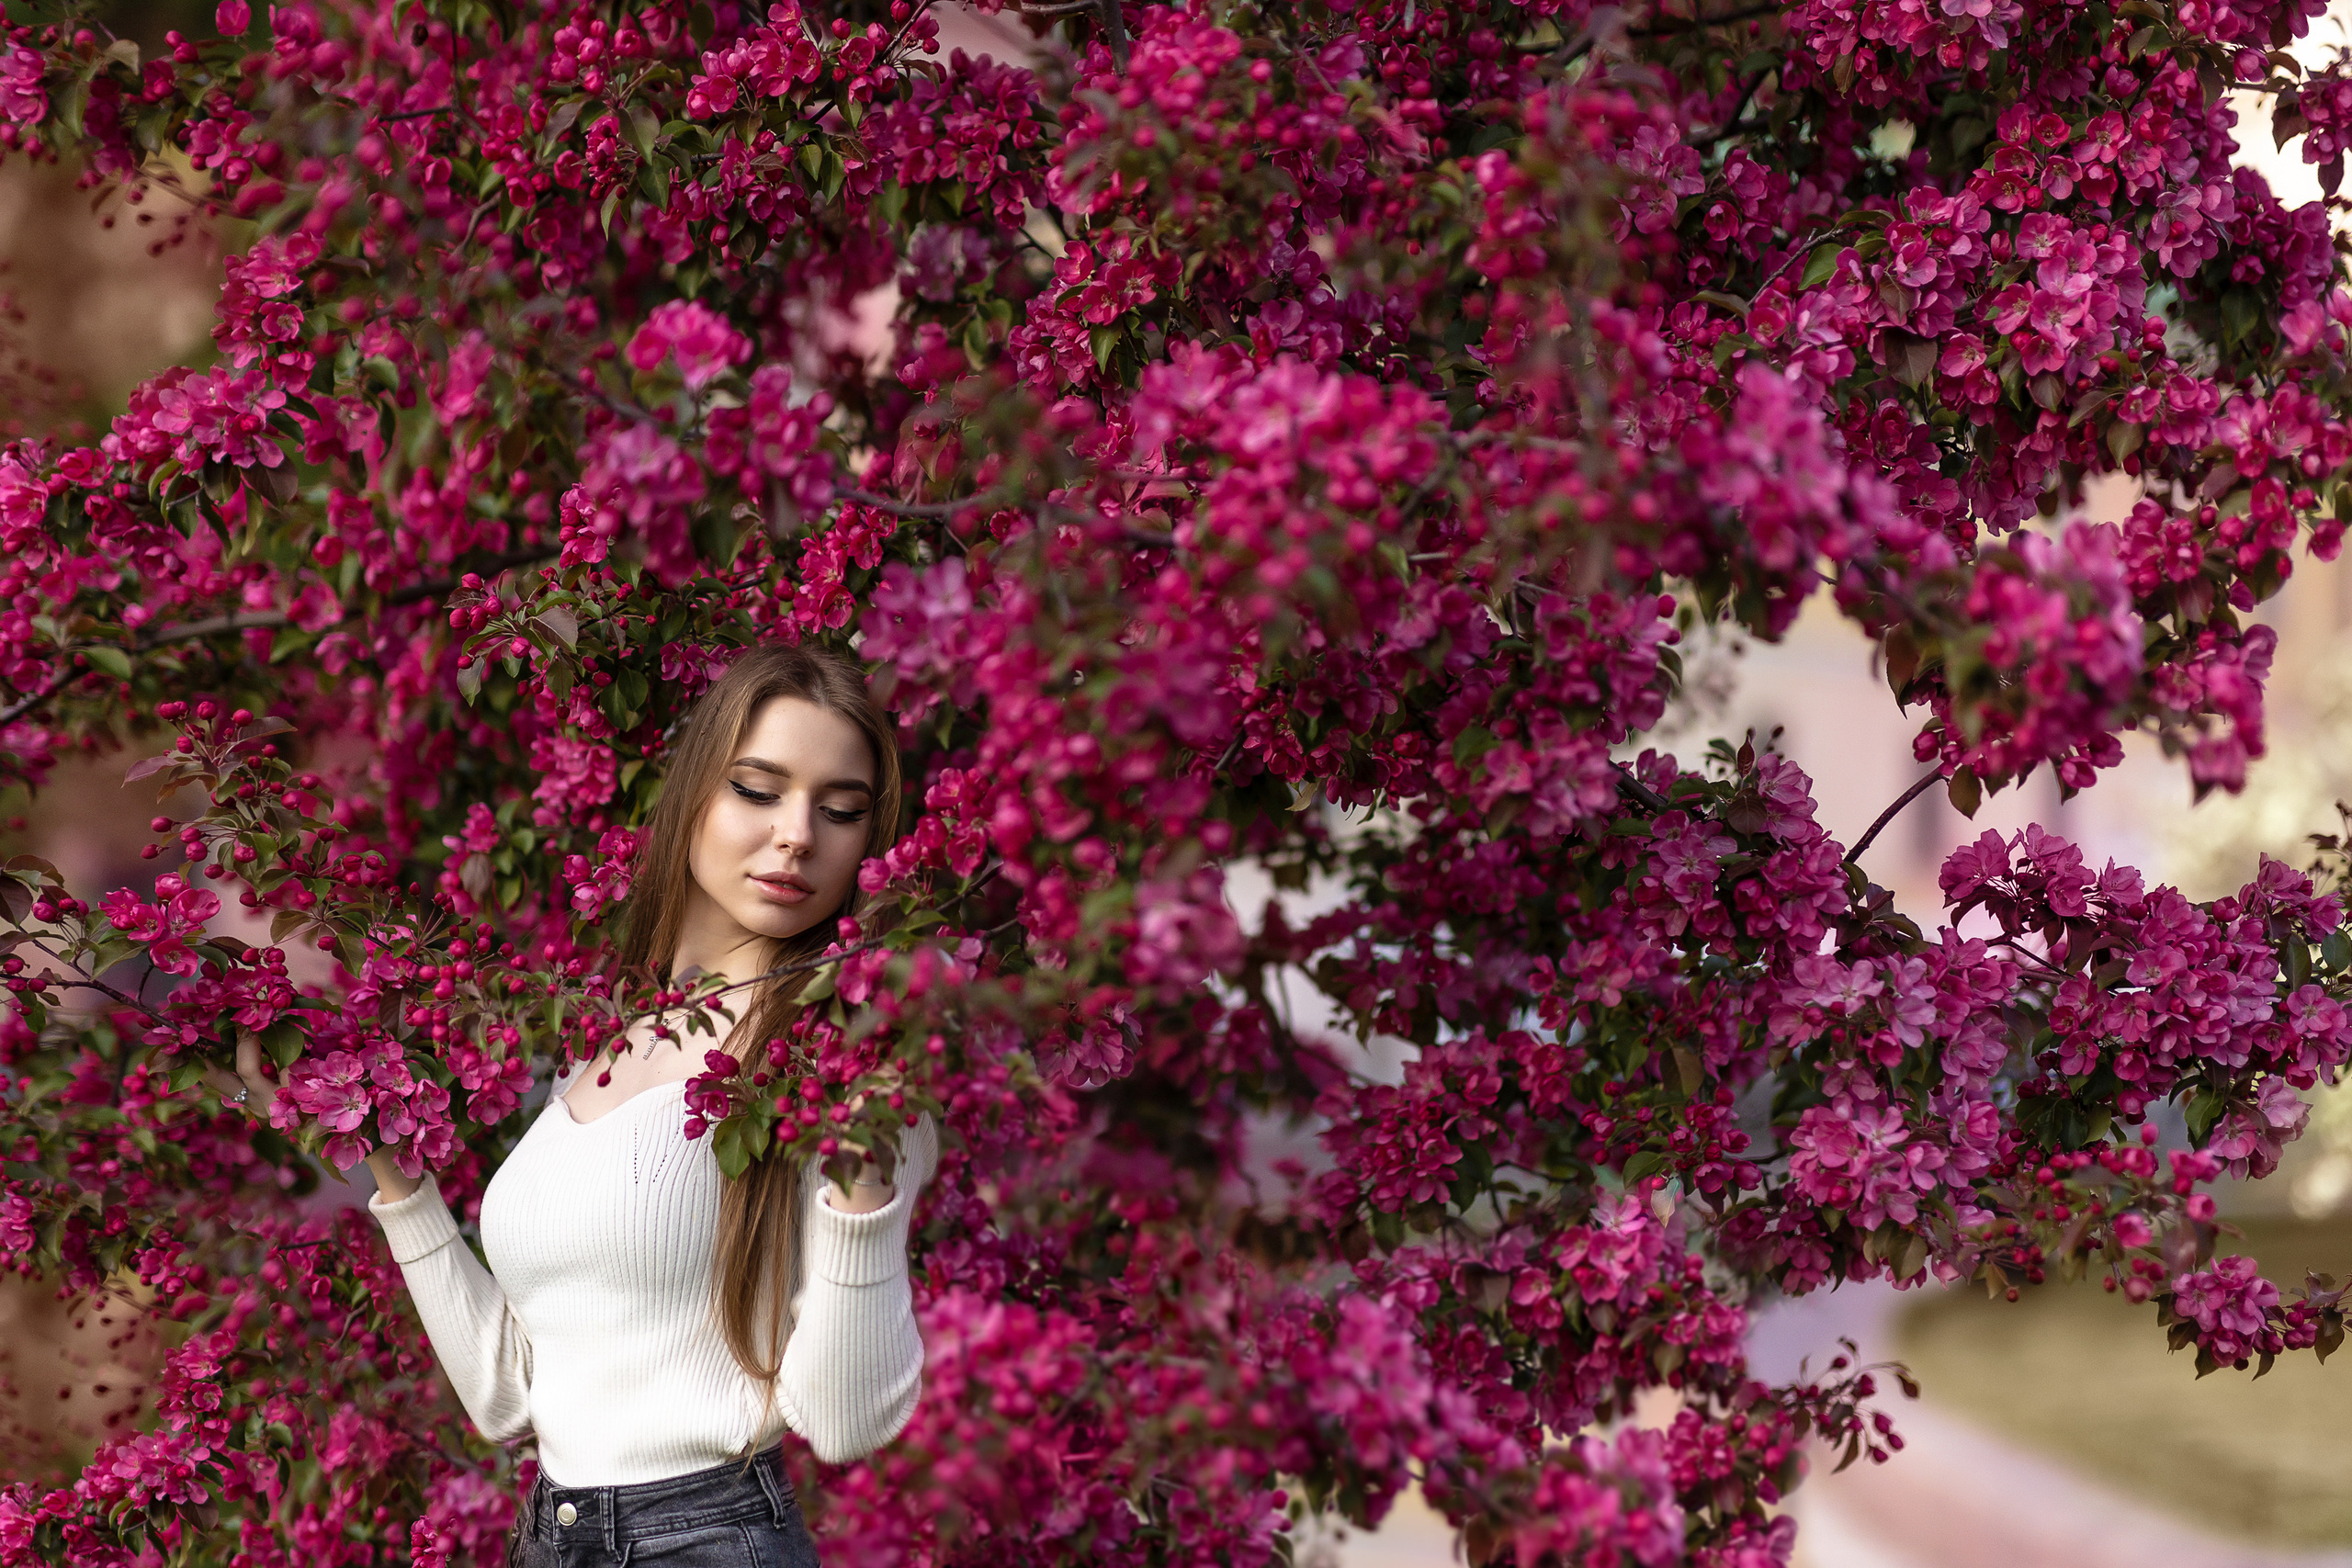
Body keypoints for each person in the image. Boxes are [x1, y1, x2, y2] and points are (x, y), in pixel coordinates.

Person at [209, 645, 935, 1568]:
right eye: (758, 789)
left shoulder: (841, 1050)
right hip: (551, 1536)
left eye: (840, 811)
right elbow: (508, 1398)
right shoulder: (603, 1045)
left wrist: (863, 1181)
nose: (798, 834)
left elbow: (843, 1424)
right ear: (695, 797)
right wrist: (387, 1166)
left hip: (709, 1540)